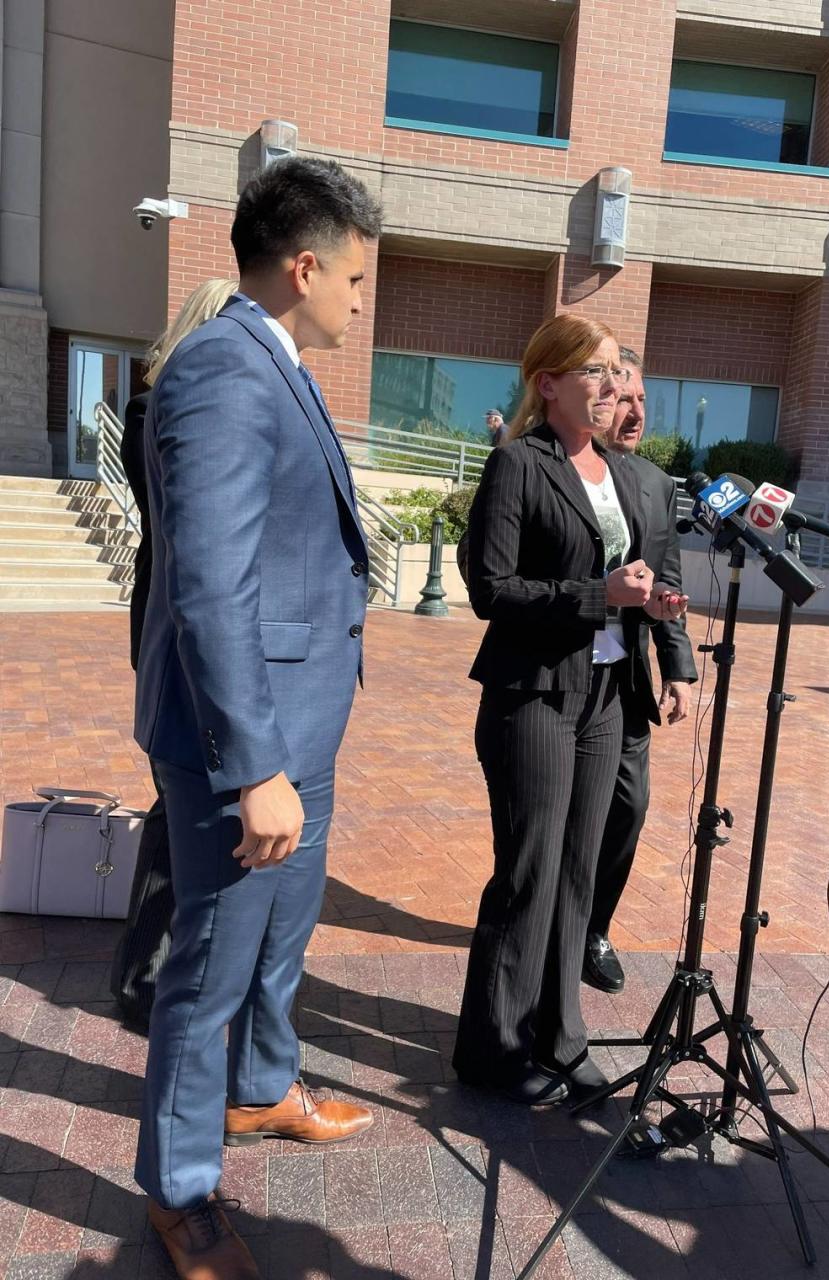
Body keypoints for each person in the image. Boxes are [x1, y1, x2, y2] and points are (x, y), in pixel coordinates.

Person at [132, 157, 382, 1280]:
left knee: (281, 936)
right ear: (306, 264)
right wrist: (252, 770)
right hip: (249, 744)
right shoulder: (225, 371)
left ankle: (262, 1087)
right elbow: (210, 587)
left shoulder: (273, 361)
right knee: (210, 964)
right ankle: (180, 1190)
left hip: (302, 722)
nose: (362, 300)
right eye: (359, 277)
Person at [452, 314, 687, 1107]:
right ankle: (495, 1049)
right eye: (593, 372)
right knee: (529, 873)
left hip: (609, 699)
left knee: (579, 879)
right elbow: (493, 589)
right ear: (547, 383)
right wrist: (599, 596)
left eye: (615, 371)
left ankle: (561, 1038)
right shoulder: (518, 465)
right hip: (535, 697)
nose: (610, 386)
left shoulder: (621, 475)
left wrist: (653, 609)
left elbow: (640, 574)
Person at [110, 279, 239, 1030]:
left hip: (180, 619)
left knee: (183, 799)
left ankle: (156, 962)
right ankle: (142, 973)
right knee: (177, 799)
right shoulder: (153, 407)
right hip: (175, 624)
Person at [583, 348, 698, 995]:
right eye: (625, 399)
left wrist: (677, 668)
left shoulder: (657, 486)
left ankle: (594, 927)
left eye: (644, 401)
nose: (636, 412)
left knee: (630, 805)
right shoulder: (566, 470)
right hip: (565, 668)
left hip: (625, 677)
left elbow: (670, 583)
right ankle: (555, 924)